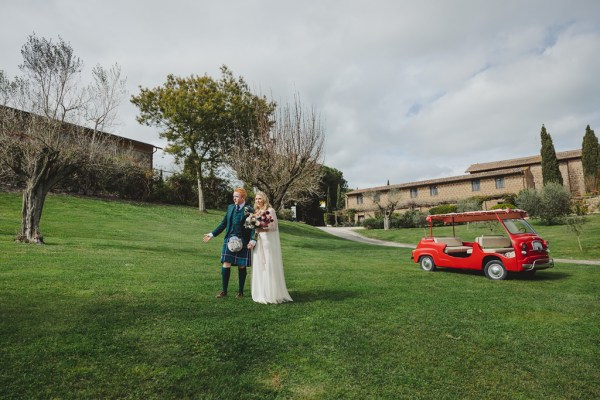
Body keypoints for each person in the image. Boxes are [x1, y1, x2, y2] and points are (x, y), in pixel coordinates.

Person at [203, 188, 255, 298]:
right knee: (226, 263)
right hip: (229, 239)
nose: (234, 198)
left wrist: (252, 240)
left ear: (243, 198)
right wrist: (212, 234)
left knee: (241, 265)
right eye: (234, 196)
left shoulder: (249, 209)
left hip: (243, 241)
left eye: (236, 196)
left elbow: (252, 227)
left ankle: (240, 292)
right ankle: (224, 291)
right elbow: (224, 223)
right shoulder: (230, 207)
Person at [251, 191, 292, 304]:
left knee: (268, 264)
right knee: (259, 265)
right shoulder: (256, 212)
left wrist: (260, 226)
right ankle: (262, 292)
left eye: (259, 198)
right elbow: (254, 227)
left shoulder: (270, 210)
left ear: (264, 199)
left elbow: (273, 226)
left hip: (267, 241)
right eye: (256, 199)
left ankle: (271, 293)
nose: (257, 200)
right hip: (259, 241)